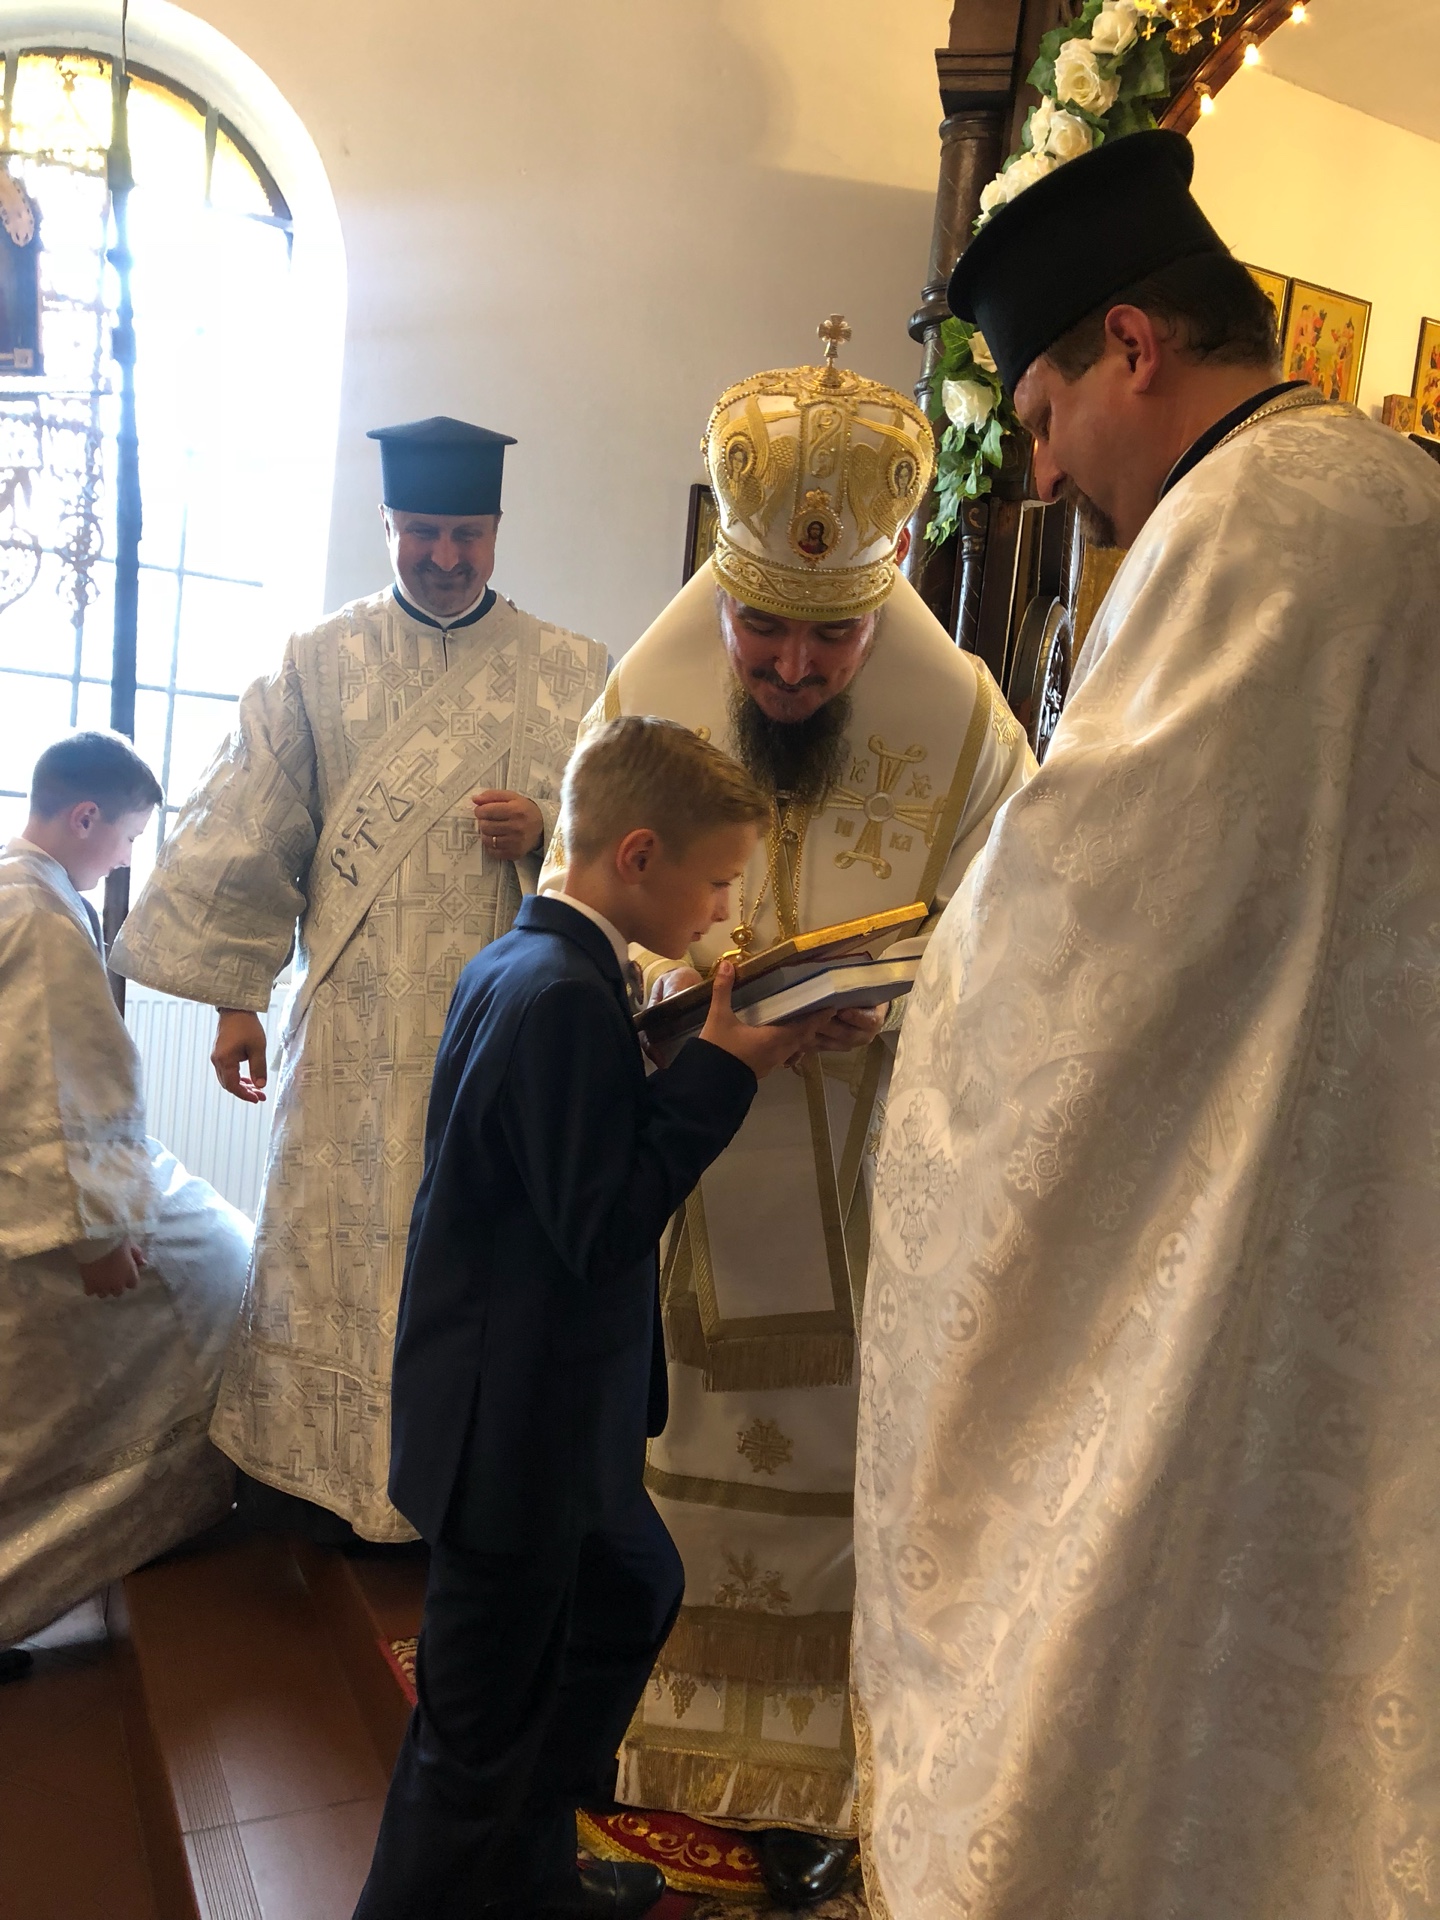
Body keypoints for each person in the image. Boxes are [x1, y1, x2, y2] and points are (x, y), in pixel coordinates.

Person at [853, 129, 1440, 1920]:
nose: (1043, 472)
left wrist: (925, 997)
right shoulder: (1391, 488)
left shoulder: (1251, 525)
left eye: (1040, 418)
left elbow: (1088, 936)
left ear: (1131, 345)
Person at [542, 330, 1033, 1905]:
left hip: (869, 1189)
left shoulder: (967, 727)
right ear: (723, 581)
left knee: (841, 1480)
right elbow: (569, 910)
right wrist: (682, 985)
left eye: (832, 639)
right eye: (763, 628)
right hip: (683, 1183)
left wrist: (909, 1008)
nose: (793, 670)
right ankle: (646, 1729)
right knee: (664, 1466)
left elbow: (1038, 946)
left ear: (887, 597)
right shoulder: (645, 695)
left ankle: (818, 1775)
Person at [353, 717, 832, 1920]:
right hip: (514, 1435)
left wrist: (687, 1040)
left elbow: (563, 1144)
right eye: (717, 882)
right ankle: (470, 1875)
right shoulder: (563, 997)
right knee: (468, 1745)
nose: (723, 912)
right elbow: (605, 1221)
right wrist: (727, 1069)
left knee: (630, 1588)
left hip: (543, 1409)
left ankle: (530, 1867)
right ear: (638, 856)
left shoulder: (527, 961)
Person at [110, 416, 608, 1542]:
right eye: (422, 531)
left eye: (466, 533)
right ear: (386, 524)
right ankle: (323, 1485)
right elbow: (249, 829)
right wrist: (237, 1001)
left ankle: (461, 1496)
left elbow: (626, 843)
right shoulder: (318, 663)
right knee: (334, 1249)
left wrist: (545, 829)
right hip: (350, 1032)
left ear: (496, 530)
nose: (445, 556)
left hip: (499, 1038)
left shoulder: (574, 671)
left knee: (475, 1256)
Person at [0, 732, 250, 1666]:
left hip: (33, 1191)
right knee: (229, 1287)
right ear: (85, 818)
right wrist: (101, 1232)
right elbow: (55, 1087)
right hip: (41, 1212)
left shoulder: (18, 888)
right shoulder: (35, 911)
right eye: (130, 837)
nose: (126, 858)